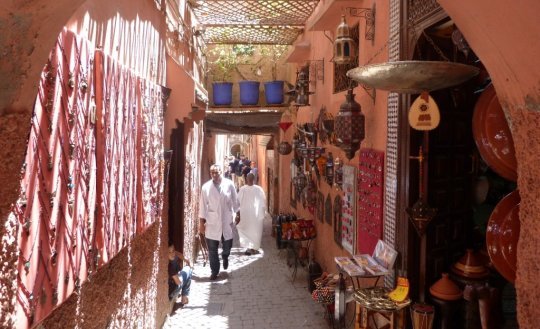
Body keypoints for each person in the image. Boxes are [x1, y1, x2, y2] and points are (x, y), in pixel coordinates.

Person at [199, 164, 240, 280]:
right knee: (212, 249)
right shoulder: (206, 187)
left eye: (217, 172)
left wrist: (238, 213)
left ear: (221, 172)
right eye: (212, 172)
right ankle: (214, 271)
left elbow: (235, 200)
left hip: (226, 219)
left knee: (227, 245)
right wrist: (201, 223)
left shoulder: (229, 184)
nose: (214, 175)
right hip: (212, 222)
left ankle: (225, 256)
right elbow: (202, 205)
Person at [236, 173, 267, 255]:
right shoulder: (258, 189)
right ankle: (252, 248)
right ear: (254, 179)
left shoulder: (243, 189)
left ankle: (251, 248)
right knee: (255, 231)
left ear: (246, 179)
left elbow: (237, 201)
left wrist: (238, 211)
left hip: (247, 214)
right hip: (254, 215)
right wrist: (262, 213)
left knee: (249, 230)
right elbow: (263, 202)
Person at [168, 242, 192, 314]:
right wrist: (181, 277)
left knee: (186, 272)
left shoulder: (173, 256)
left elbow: (177, 254)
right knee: (188, 271)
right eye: (169, 252)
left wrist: (185, 259)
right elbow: (178, 282)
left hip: (176, 283)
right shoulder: (170, 266)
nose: (172, 253)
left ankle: (184, 297)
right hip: (172, 292)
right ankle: (184, 297)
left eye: (173, 251)